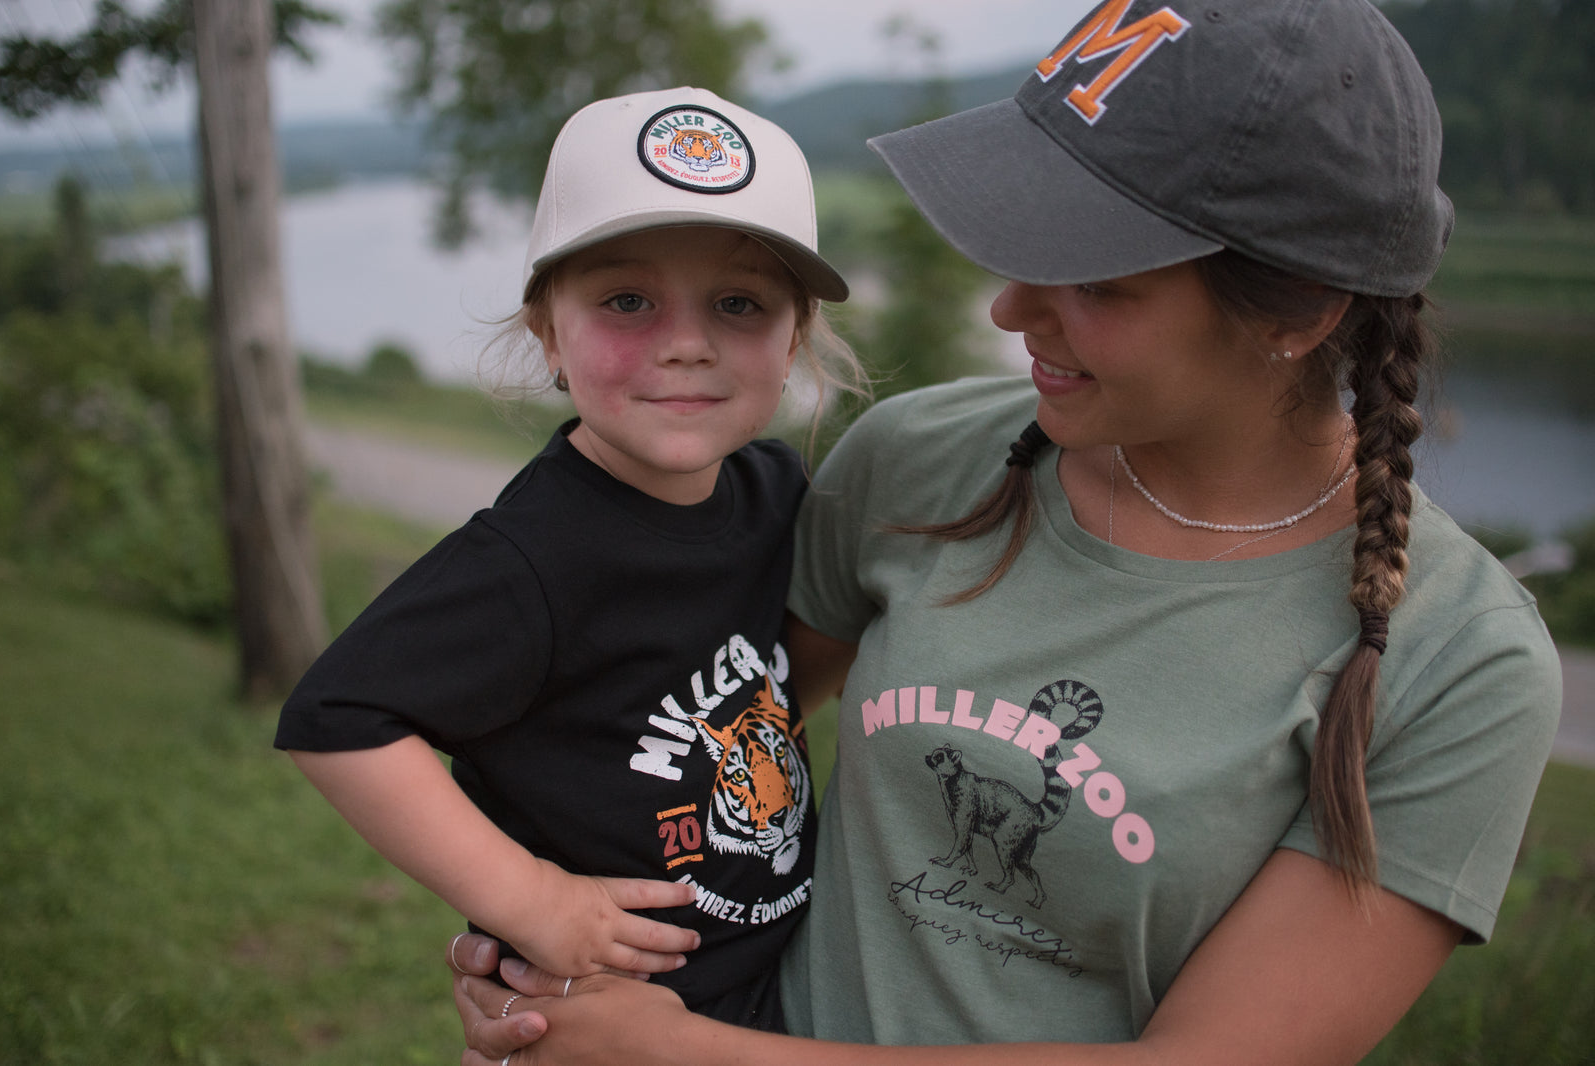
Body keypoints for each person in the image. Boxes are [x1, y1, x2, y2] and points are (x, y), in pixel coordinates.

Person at [449, 1, 1563, 1063]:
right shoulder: (921, 453)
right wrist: (545, 923)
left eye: (1096, 281)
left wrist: (685, 1055)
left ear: (1302, 309)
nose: (1009, 309)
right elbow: (693, 738)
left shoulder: (1457, 662)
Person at [276, 86, 865, 1032]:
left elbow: (786, 673)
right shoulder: (533, 558)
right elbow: (337, 719)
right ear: (549, 333)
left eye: (739, 303)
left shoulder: (777, 493)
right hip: (619, 1019)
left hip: (779, 989)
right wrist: (533, 899)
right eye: (628, 301)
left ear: (793, 337)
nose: (687, 344)